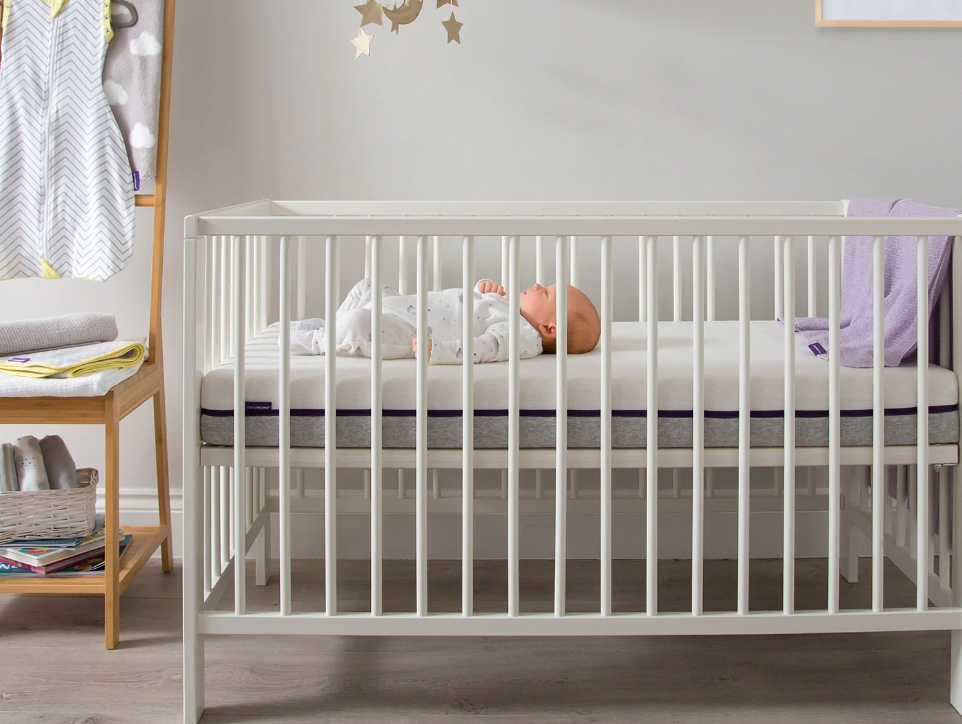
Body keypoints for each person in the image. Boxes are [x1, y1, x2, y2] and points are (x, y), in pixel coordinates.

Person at [290, 278, 600, 364]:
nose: (536, 285)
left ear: (549, 328)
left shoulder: (521, 334)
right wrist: (483, 288)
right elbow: (471, 305)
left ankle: (317, 340)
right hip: (405, 305)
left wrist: (438, 350)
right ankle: (332, 324)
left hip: (408, 329)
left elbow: (481, 348)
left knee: (359, 323)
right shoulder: (509, 308)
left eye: (545, 293)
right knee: (367, 285)